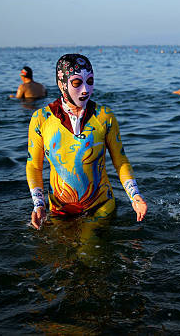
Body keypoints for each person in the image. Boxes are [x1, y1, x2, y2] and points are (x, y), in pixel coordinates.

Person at [27, 54, 147, 229]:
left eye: (90, 81)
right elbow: (34, 166)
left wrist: (135, 196)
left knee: (89, 248)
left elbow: (120, 161)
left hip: (100, 207)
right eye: (77, 83)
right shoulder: (41, 119)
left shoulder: (104, 116)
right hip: (60, 210)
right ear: (61, 85)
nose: (85, 89)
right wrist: (38, 204)